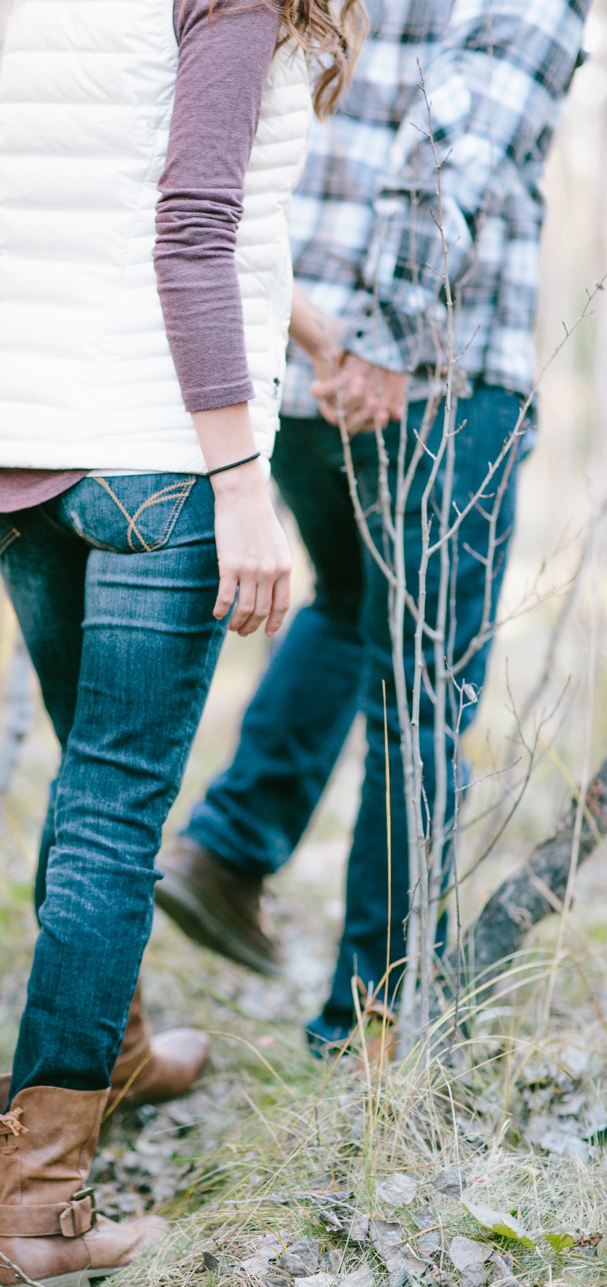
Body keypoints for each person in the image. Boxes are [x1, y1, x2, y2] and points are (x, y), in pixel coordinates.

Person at [0, 0, 360, 1287]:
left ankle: (110, 1044)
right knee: (116, 813)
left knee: (94, 792)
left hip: (21, 442)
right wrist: (242, 477)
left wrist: (310, 335)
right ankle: (44, 1203)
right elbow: (191, 228)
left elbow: (128, 190)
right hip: (155, 457)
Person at [156, 0, 589, 1048]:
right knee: (426, 695)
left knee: (351, 609)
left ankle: (231, 845)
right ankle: (370, 1021)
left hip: (303, 368)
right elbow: (457, 146)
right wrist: (391, 338)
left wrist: (326, 342)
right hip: (429, 380)